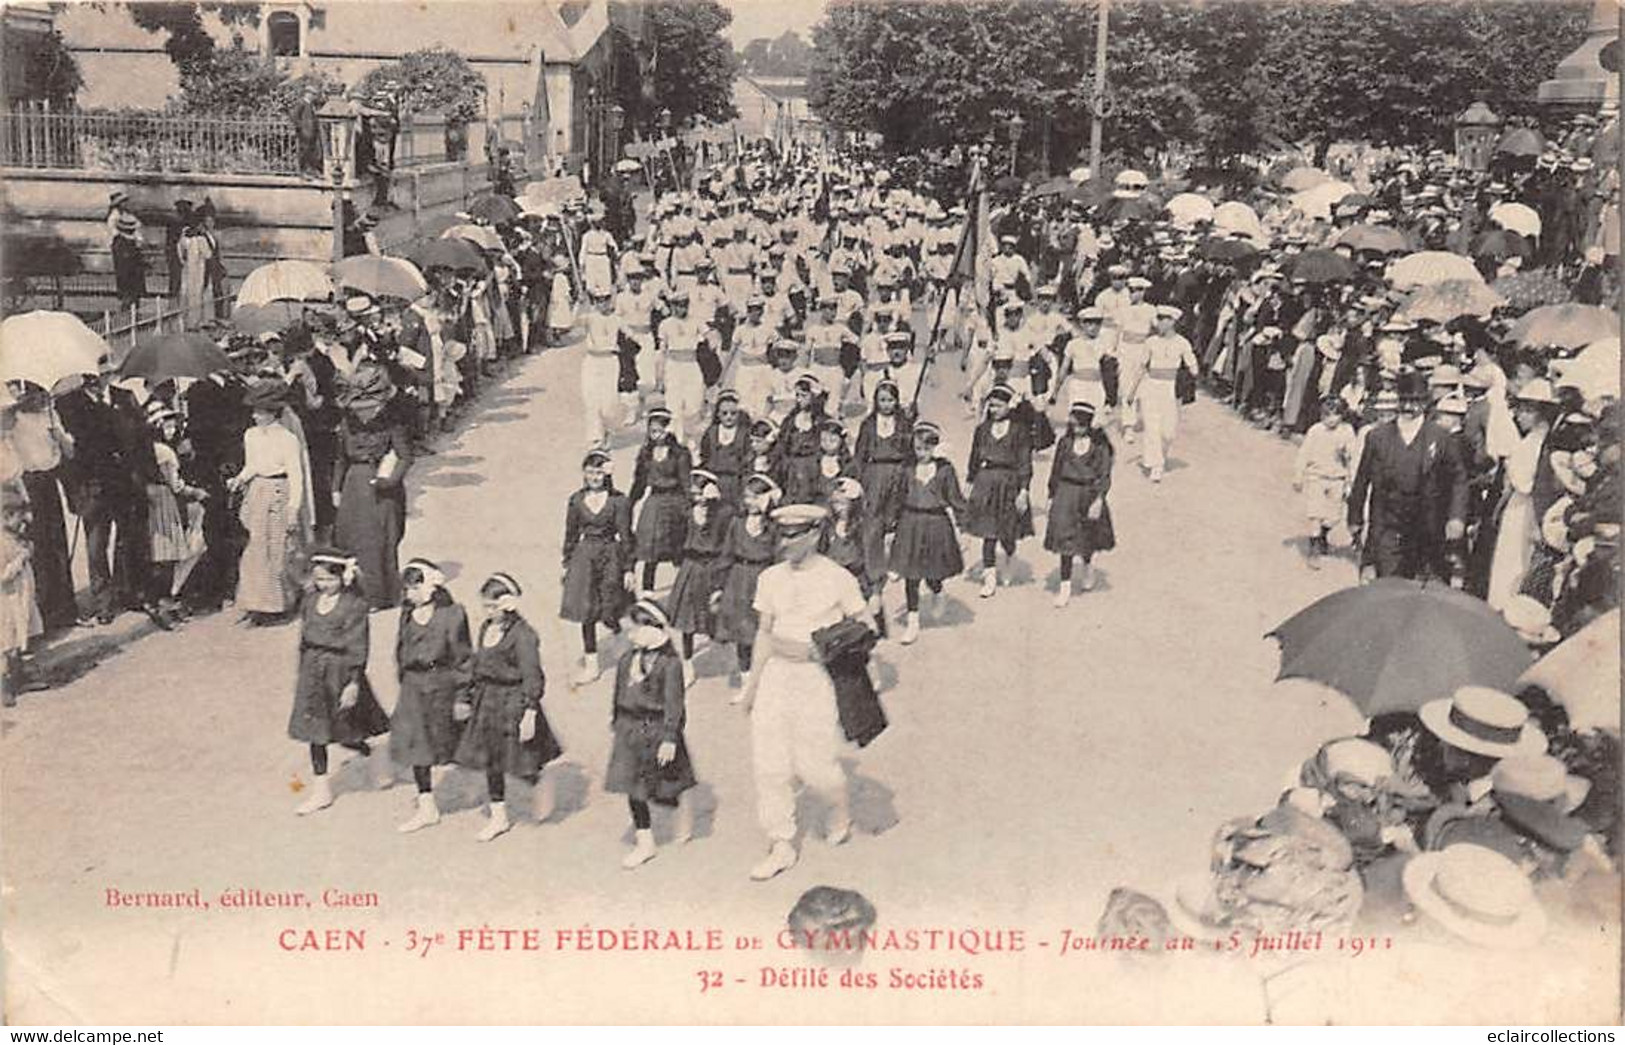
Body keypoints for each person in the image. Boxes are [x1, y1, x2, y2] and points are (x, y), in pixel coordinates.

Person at [739, 503, 873, 881]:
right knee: (770, 764)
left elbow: (865, 624)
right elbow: (764, 634)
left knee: (816, 767)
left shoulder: (837, 577)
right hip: (776, 677)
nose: (784, 542)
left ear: (815, 535)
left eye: (793, 535)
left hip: (816, 678)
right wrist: (751, 687)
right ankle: (781, 842)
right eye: (781, 534)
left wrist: (829, 645)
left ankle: (839, 807)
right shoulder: (770, 578)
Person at [453, 572, 562, 842]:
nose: (488, 612)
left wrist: (530, 711)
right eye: (485, 606)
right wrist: (466, 697)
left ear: (507, 603)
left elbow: (532, 676)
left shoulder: (524, 635)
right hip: (487, 700)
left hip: (513, 701)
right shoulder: (485, 629)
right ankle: (499, 816)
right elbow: (477, 667)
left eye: (493, 606)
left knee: (520, 759)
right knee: (492, 760)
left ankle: (539, 782)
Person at [288, 549, 390, 815]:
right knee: (316, 732)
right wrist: (302, 675)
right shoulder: (310, 602)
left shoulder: (354, 606)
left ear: (343, 578)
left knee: (351, 726)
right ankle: (321, 790)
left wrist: (353, 682)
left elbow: (359, 645)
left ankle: (374, 759)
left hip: (341, 671)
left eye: (329, 580)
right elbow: (303, 640)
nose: (324, 585)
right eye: (319, 579)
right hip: (313, 672)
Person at [1348, 370, 1470, 582]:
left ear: (1425, 402)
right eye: (1404, 400)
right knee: (1386, 585)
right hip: (1388, 524)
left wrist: (1456, 517)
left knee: (1424, 591)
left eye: (1415, 401)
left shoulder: (1440, 437)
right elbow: (1362, 479)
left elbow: (1459, 479)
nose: (1409, 407)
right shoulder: (1377, 437)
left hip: (1428, 526)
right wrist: (1355, 516)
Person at [604, 596, 699, 869]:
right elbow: (618, 693)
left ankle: (683, 810)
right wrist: (616, 720)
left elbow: (675, 705)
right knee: (633, 788)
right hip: (630, 730)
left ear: (654, 628)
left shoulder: (670, 665)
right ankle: (645, 841)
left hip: (658, 730)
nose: (630, 635)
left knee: (668, 782)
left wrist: (670, 737)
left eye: (634, 629)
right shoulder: (627, 661)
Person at [392, 559, 473, 834]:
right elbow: (400, 649)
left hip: (442, 685)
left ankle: (492, 793)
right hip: (414, 687)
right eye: (406, 589)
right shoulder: (406, 614)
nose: (409, 594)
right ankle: (427, 806)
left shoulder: (452, 615)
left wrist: (463, 697)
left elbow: (463, 659)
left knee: (454, 743)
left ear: (430, 587)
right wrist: (404, 680)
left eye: (414, 588)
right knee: (418, 746)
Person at [332, 363, 412, 611]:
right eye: (360, 410)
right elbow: (340, 458)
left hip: (383, 488)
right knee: (351, 539)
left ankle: (378, 596)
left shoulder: (393, 424)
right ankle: (354, 592)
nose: (364, 415)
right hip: (354, 486)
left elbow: (405, 456)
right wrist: (336, 489)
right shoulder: (347, 424)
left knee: (380, 540)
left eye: (369, 409)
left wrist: (390, 481)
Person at [226, 381, 306, 625]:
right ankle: (257, 603)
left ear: (273, 412)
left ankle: (281, 604)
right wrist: (239, 479)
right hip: (257, 491)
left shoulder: (288, 438)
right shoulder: (251, 435)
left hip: (279, 491)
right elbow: (253, 464)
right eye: (255, 411)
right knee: (255, 549)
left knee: (278, 550)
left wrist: (294, 508)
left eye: (260, 411)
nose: (255, 415)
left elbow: (296, 474)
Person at [889, 420, 967, 645]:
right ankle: (913, 621)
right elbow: (897, 498)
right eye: (918, 448)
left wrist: (963, 528)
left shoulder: (944, 470)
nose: (921, 453)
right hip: (910, 523)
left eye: (926, 448)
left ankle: (938, 592)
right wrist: (891, 526)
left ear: (935, 447)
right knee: (910, 575)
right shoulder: (906, 469)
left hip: (935, 524)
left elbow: (955, 499)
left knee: (933, 572)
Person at [561, 449, 633, 687]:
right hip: (584, 558)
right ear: (584, 473)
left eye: (599, 472)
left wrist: (628, 568)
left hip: (610, 554)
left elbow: (625, 535)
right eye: (590, 472)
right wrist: (566, 562)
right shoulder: (576, 500)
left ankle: (618, 634)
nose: (594, 477)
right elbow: (571, 534)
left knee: (609, 606)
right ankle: (592, 664)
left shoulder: (618, 501)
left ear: (607, 474)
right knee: (587, 611)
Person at [964, 384, 1034, 597]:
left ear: (1008, 407)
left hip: (1009, 483)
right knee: (988, 532)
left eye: (998, 406)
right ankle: (990, 577)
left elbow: (1024, 462)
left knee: (1007, 531)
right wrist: (969, 482)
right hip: (986, 482)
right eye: (991, 406)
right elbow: (974, 458)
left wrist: (1024, 490)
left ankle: (1010, 557)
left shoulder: (1018, 431)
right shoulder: (982, 430)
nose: (994, 410)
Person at [1045, 401, 1115, 607]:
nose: (1076, 429)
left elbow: (1104, 474)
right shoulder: (1065, 443)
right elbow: (1055, 470)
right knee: (1064, 542)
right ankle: (1065, 587)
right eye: (1073, 425)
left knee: (1087, 538)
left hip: (1088, 494)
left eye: (1081, 425)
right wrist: (1051, 495)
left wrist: (1099, 499)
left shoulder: (1099, 447)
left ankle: (1087, 566)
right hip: (1066, 494)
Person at [666, 469, 732, 688]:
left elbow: (724, 536)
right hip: (691, 566)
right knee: (687, 620)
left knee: (713, 614)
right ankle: (687, 664)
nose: (697, 496)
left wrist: (715, 506)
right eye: (694, 491)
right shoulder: (688, 511)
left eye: (701, 490)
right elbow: (677, 536)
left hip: (712, 566)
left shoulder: (722, 513)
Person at [716, 474, 780, 692]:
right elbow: (726, 555)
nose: (750, 502)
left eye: (756, 497)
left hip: (764, 580)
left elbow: (779, 557)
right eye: (747, 497)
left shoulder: (774, 527)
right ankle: (746, 683)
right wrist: (719, 587)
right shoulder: (737, 523)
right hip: (739, 580)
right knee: (743, 636)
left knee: (764, 632)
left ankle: (766, 682)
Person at [629, 407, 692, 594]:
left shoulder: (680, 453)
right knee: (649, 547)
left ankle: (682, 587)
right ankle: (648, 589)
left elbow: (686, 481)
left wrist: (690, 504)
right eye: (653, 431)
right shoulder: (646, 453)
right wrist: (630, 502)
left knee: (677, 545)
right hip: (654, 502)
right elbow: (639, 481)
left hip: (675, 502)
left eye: (660, 430)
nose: (657, 435)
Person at [1294, 396, 1359, 570]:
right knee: (1315, 511)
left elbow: (1353, 458)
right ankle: (1314, 546)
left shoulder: (1347, 431)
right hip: (1317, 476)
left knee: (1334, 516)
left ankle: (1323, 533)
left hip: (1337, 478)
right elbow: (1304, 453)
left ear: (1342, 415)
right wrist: (1298, 476)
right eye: (1326, 415)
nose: (1330, 419)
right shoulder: (1316, 430)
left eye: (1335, 415)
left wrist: (1351, 480)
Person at [1137, 305, 1200, 483]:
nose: (1159, 324)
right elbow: (1141, 368)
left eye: (1164, 320)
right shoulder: (1150, 342)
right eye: (1159, 319)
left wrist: (1190, 374)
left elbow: (1193, 367)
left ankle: (1160, 455)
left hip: (1171, 389)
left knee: (1168, 431)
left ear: (1172, 322)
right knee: (1152, 426)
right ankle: (1156, 465)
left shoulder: (1182, 343)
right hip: (1150, 386)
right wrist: (1132, 392)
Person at [0, 481, 40, 705]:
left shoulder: (15, 538)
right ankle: (4, 685)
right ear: (5, 517)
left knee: (19, 637)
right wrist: (20, 559)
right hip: (7, 601)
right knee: (6, 641)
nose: (23, 521)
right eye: (18, 516)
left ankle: (19, 676)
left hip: (21, 597)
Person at [580, 291, 624, 449]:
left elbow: (631, 335)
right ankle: (595, 437)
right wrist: (580, 304)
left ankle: (608, 430)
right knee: (590, 399)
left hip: (610, 361)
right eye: (598, 301)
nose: (602, 304)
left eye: (605, 300)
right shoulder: (590, 317)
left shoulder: (617, 319)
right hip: (592, 361)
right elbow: (571, 323)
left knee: (608, 402)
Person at [111, 213, 147, 312]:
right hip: (129, 279)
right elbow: (129, 261)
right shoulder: (123, 243)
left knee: (133, 304)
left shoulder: (121, 242)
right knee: (129, 304)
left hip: (129, 279)